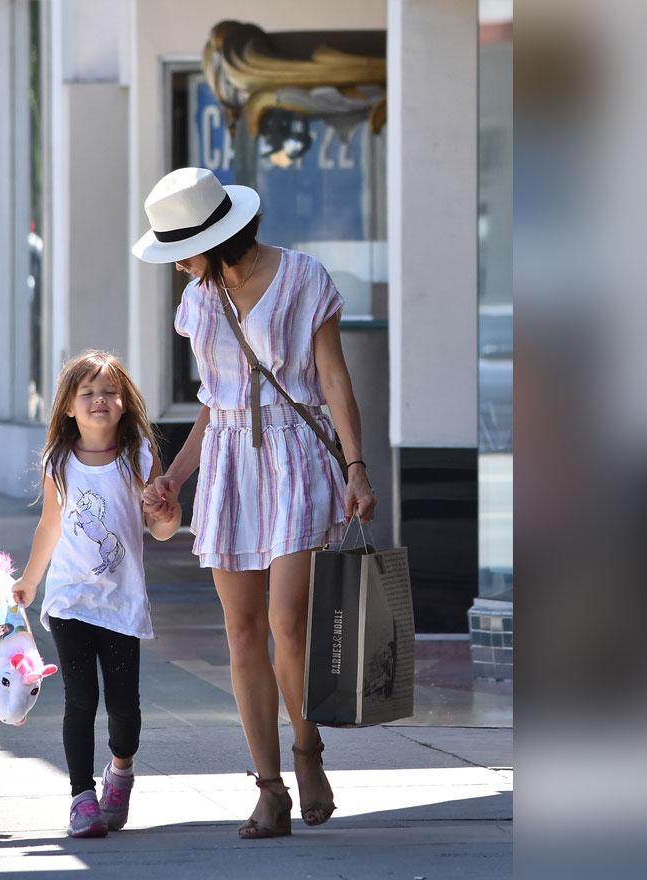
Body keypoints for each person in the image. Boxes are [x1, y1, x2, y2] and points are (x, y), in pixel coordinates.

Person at [132, 167, 377, 839]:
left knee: (288, 623)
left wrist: (355, 467)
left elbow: (332, 379)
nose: (178, 265)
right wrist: (175, 477)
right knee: (241, 633)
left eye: (183, 249)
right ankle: (268, 788)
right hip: (231, 466)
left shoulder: (303, 279)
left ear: (217, 237)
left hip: (297, 458)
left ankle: (307, 750)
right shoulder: (200, 302)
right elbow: (215, 404)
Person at [10, 349, 182, 838]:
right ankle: (81, 798)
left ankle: (120, 772)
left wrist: (167, 513)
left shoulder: (139, 457)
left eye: (109, 392)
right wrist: (30, 580)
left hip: (121, 601)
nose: (99, 400)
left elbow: (163, 526)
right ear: (68, 406)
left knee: (125, 707)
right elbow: (49, 525)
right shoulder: (59, 461)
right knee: (80, 699)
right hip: (69, 601)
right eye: (87, 393)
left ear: (125, 403)